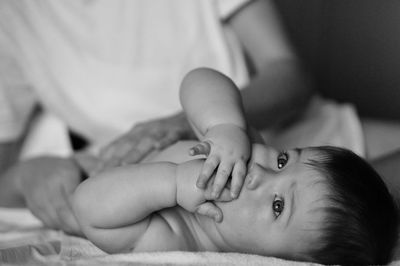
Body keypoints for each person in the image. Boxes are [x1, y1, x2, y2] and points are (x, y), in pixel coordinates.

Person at [0, 0, 312, 234]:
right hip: (142, 170)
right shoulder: (12, 17)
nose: (260, 177)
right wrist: (27, 176)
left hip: (281, 138)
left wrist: (214, 125)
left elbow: (289, 73)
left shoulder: (257, 163)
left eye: (278, 207)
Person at [72, 68, 398, 265]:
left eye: (278, 205)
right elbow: (198, 79)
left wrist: (173, 183)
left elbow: (87, 205)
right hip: (112, 146)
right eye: (284, 160)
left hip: (87, 171)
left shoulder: (177, 238)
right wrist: (223, 124)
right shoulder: (238, 151)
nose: (261, 174)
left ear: (274, 261)